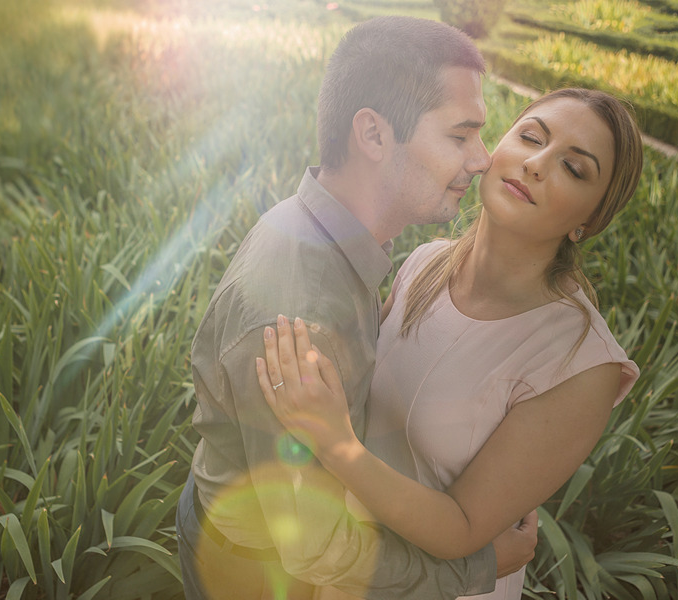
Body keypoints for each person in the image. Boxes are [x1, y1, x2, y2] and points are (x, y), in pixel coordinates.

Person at [176, 15, 539, 600]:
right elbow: (312, 546)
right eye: (459, 135)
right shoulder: (301, 319)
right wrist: (476, 565)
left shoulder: (334, 233)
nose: (482, 159)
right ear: (372, 135)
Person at [256, 87, 643, 599]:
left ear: (589, 221)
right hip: (356, 568)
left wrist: (334, 442)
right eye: (530, 137)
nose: (535, 164)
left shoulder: (580, 363)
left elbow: (461, 527)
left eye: (574, 169)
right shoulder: (424, 264)